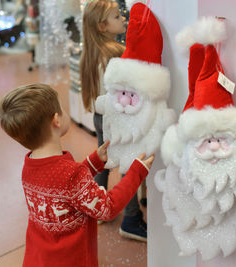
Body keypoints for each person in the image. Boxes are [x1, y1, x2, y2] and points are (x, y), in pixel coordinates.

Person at [0, 83, 154, 267]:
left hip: (39, 259)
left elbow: (63, 189)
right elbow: (107, 207)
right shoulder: (71, 175)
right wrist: (136, 171)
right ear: (56, 120)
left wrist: (94, 162)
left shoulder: (29, 166)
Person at [80, 0, 147, 241]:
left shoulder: (91, 51)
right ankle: (131, 218)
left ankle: (98, 208)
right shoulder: (115, 53)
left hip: (100, 117)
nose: (123, 19)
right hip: (117, 117)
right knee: (128, 164)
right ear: (102, 26)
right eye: (117, 17)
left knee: (104, 160)